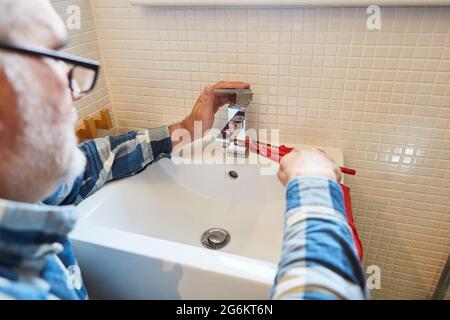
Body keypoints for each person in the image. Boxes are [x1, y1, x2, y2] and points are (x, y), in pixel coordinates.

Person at [0, 0, 368, 300]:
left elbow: (94, 163)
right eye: (46, 63)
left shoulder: (19, 194)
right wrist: (315, 189)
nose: (74, 91)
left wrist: (182, 131)